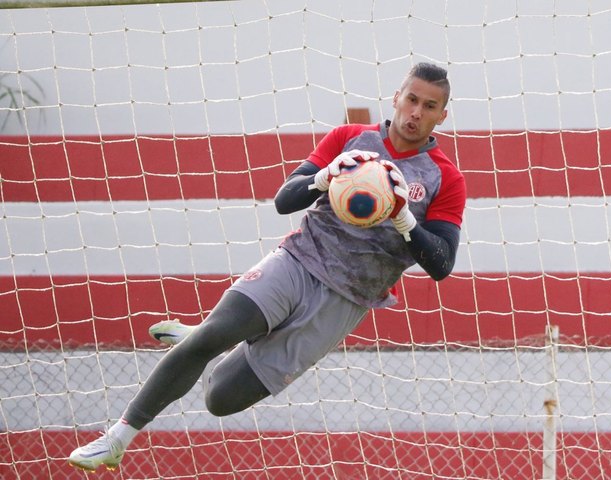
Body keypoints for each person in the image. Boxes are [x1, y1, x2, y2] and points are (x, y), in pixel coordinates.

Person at [67, 62, 467, 472]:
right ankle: (118, 438)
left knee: (220, 398)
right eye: (412, 99)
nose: (416, 112)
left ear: (442, 115)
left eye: (429, 105)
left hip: (346, 301)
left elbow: (441, 264)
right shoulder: (350, 140)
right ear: (397, 97)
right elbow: (283, 200)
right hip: (297, 262)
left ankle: (218, 334)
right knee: (210, 339)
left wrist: (405, 220)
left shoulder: (445, 178)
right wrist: (324, 178)